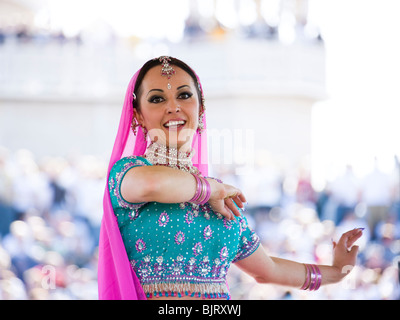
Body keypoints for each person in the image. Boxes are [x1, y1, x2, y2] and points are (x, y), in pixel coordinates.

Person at [98, 56, 363, 300]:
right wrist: (210, 190)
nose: (173, 107)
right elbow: (152, 184)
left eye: (184, 95)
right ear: (137, 115)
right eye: (157, 99)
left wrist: (338, 271)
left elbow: (268, 270)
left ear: (201, 109)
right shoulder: (128, 173)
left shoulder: (220, 198)